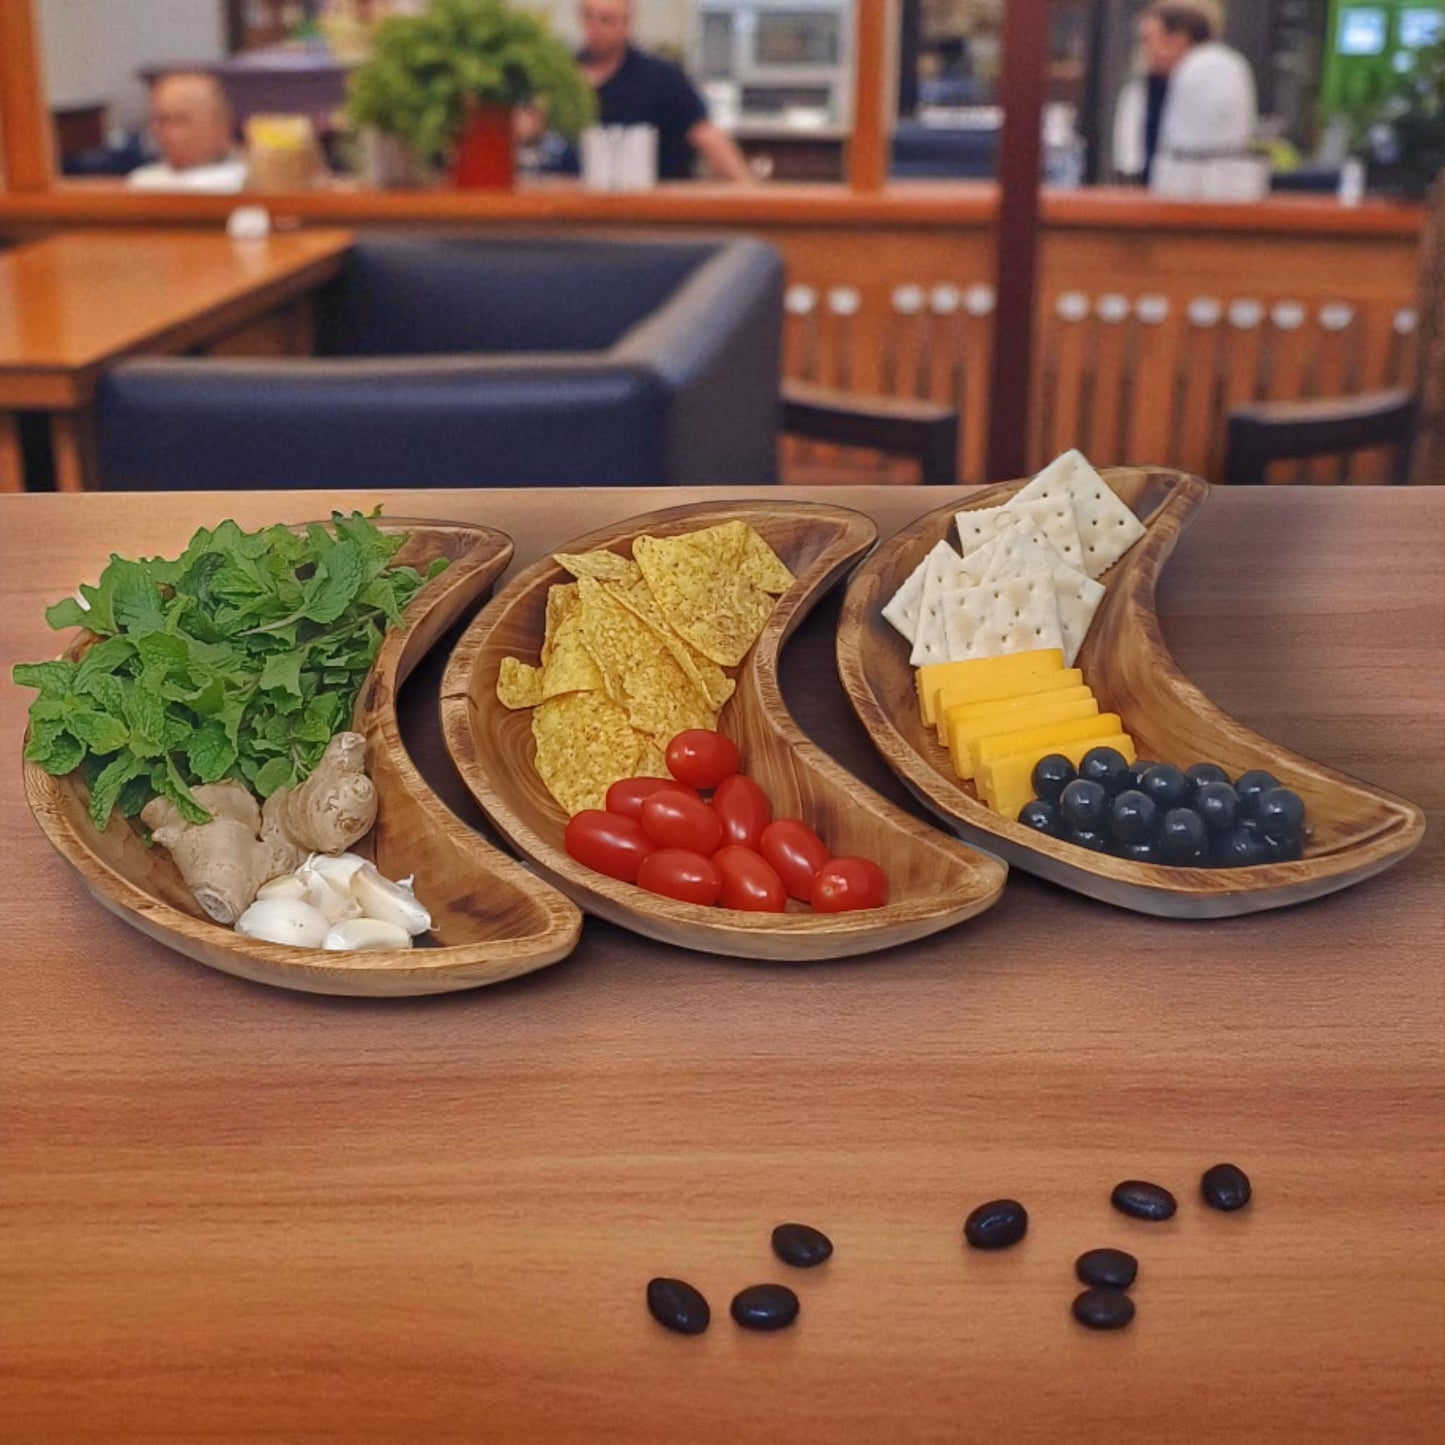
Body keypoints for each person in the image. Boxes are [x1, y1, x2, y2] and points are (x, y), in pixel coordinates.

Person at [571, 0, 751, 182]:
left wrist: (750, 196)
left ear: (627, 22)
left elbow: (708, 138)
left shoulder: (661, 78)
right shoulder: (564, 75)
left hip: (649, 201)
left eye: (606, 20)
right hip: (569, 199)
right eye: (588, 17)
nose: (595, 28)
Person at [1113, 1, 1256, 188]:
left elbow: (1191, 152)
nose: (1145, 49)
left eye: (1148, 39)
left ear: (1179, 38)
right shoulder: (1148, 85)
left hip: (1202, 198)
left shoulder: (1210, 68)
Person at [128, 72, 247, 192]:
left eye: (179, 120)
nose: (166, 132)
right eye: (160, 120)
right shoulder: (141, 181)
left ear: (221, 126)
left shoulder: (247, 184)